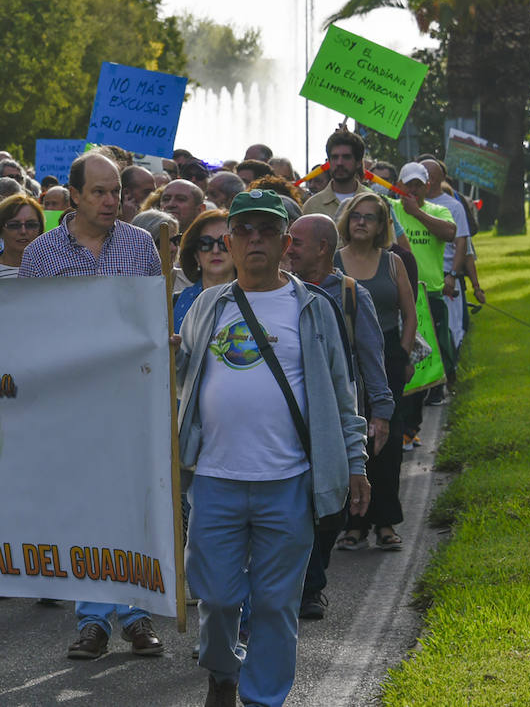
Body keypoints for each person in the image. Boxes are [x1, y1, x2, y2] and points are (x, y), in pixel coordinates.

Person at [176, 190, 369, 707]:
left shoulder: (314, 308)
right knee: (215, 598)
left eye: (266, 230)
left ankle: (264, 698)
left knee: (276, 603)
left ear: (286, 242)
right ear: (230, 242)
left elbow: (343, 395)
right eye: (243, 231)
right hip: (214, 479)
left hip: (288, 483)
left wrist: (355, 465)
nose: (253, 239)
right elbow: (179, 383)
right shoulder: (206, 306)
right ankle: (221, 667)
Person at [20, 151, 165, 661]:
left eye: (117, 192)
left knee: (132, 506)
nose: (112, 201)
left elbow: (152, 319)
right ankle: (93, 622)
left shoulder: (141, 244)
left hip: (129, 400)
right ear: (73, 196)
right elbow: (29, 330)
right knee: (87, 509)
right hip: (73, 403)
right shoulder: (41, 255)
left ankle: (137, 615)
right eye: (100, 192)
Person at [283, 212, 397, 621]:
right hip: (288, 419)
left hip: (334, 417)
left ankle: (312, 581)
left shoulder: (350, 294)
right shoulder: (280, 292)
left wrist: (380, 414)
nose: (287, 247)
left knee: (330, 503)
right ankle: (305, 587)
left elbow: (371, 357)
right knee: (294, 502)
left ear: (322, 249)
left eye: (295, 241)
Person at [331, 194, 417, 556]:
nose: (362, 223)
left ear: (382, 225)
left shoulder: (394, 262)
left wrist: (404, 354)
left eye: (371, 218)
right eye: (356, 217)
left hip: (387, 359)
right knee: (351, 438)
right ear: (347, 221)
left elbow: (410, 314)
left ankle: (385, 522)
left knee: (388, 439)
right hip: (343, 358)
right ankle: (353, 524)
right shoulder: (333, 262)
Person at [390, 162, 456, 448]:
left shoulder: (439, 211)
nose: (413, 189)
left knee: (425, 364)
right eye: (409, 184)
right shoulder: (390, 208)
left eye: (418, 184)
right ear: (400, 185)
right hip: (397, 295)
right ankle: (401, 425)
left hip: (430, 298)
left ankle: (412, 427)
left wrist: (416, 213)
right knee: (403, 359)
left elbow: (450, 233)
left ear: (427, 186)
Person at [420, 159, 471, 356]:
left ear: (431, 180)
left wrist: (452, 274)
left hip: (445, 281)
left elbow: (461, 244)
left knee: (449, 332)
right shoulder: (407, 205)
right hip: (420, 281)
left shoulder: (453, 207)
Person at [173, 209, 234, 328]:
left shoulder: (255, 299)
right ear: (195, 254)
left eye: (224, 243)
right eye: (206, 243)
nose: (215, 250)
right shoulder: (174, 303)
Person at [301, 128, 373, 218]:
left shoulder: (374, 202)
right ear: (329, 161)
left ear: (358, 162)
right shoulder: (312, 206)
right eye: (335, 157)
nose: (339, 163)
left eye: (346, 157)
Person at [0, 195, 45, 277]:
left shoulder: (56, 268)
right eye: (14, 225)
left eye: (31, 225)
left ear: (40, 229)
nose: (23, 231)